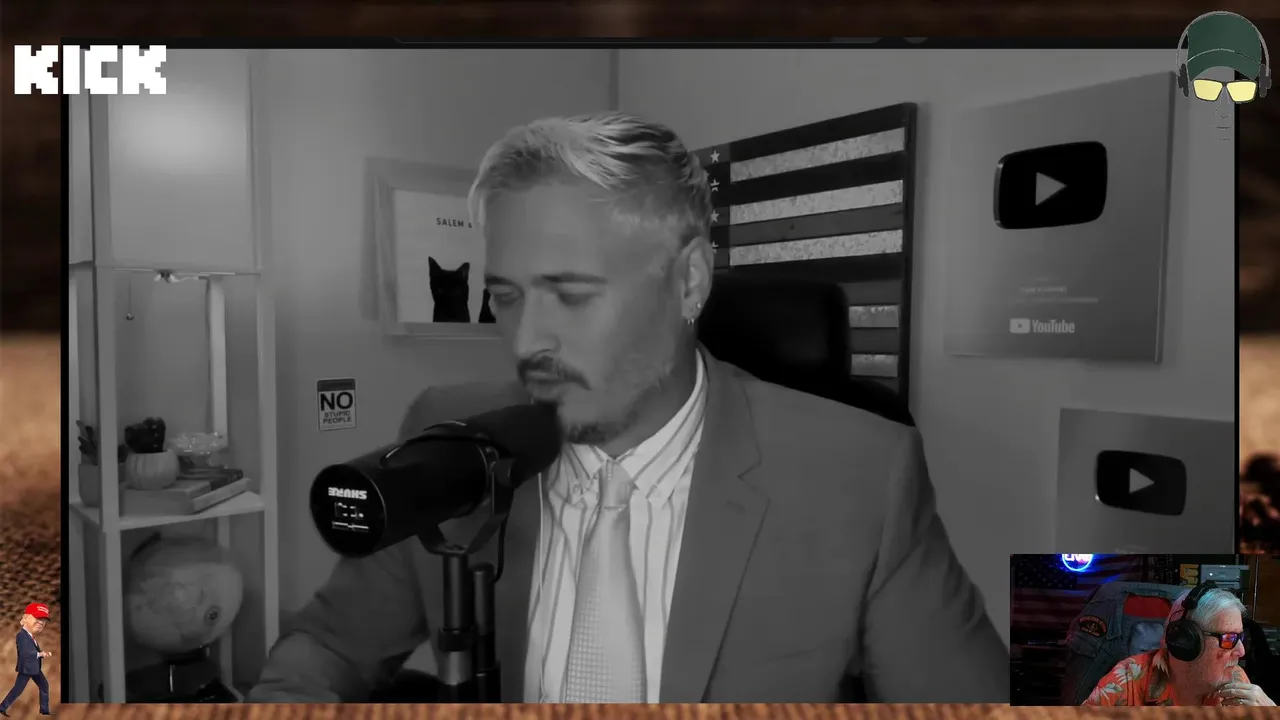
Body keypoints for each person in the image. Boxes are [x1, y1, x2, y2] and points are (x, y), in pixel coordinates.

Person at [249, 112, 1008, 703]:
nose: (528, 342)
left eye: (572, 294)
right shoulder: (448, 433)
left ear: (688, 282)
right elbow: (332, 645)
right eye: (506, 297)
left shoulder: (862, 475)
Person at [1083, 586, 1276, 706]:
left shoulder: (1236, 679)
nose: (1241, 651)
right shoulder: (1126, 682)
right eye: (1229, 639)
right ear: (1187, 642)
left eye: (1240, 637)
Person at [0, 603, 53, 717]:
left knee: (44, 686)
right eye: (37, 618)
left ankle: (44, 710)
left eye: (43, 620)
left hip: (35, 668)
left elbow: (32, 651)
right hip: (27, 669)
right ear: (25, 618)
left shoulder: (31, 637)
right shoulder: (21, 636)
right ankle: (2, 707)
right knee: (18, 689)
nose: (41, 622)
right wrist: (40, 654)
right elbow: (25, 653)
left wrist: (41, 654)